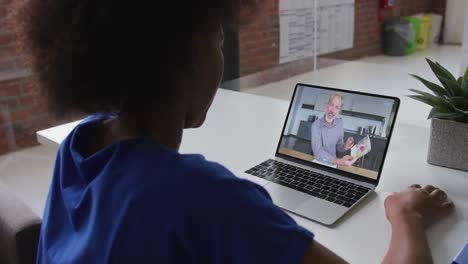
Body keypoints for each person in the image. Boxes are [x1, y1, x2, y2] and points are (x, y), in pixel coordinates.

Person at [13, 0, 454, 263]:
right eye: (218, 41)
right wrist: (406, 216)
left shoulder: (80, 145)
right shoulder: (201, 195)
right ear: (185, 56)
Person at [311, 94, 356, 167]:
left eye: (337, 107)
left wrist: (345, 146)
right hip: (318, 162)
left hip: (333, 165)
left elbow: (339, 146)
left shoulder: (340, 123)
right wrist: (339, 161)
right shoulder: (316, 125)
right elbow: (318, 151)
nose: (332, 110)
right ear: (327, 105)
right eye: (331, 105)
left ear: (339, 110)